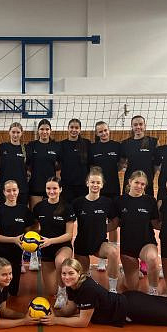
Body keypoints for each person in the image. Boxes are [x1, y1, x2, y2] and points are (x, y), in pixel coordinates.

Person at [40, 256, 167, 328]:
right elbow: (71, 308)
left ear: (79, 273)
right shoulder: (75, 286)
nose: (66, 277)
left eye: (70, 273)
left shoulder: (87, 289)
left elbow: (83, 322)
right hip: (129, 300)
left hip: (131, 308)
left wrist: (56, 321)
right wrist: (51, 313)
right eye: (64, 274)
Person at [72, 167, 120, 292]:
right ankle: (87, 279)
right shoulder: (78, 203)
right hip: (82, 244)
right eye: (92, 182)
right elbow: (69, 221)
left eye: (98, 182)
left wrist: (102, 229)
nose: (95, 185)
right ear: (87, 183)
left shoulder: (107, 202)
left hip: (100, 244)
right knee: (83, 281)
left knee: (113, 252)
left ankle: (113, 288)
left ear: (102, 185)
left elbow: (115, 222)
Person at [114, 170, 160, 294]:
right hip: (128, 247)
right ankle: (124, 276)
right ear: (130, 182)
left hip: (146, 243)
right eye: (136, 183)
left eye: (142, 184)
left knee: (153, 259)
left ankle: (153, 291)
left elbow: (156, 224)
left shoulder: (150, 201)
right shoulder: (119, 201)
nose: (139, 186)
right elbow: (114, 224)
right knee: (132, 288)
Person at [33, 177, 75, 308]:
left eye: (55, 188)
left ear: (60, 189)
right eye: (48, 188)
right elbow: (34, 228)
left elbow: (69, 235)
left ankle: (62, 293)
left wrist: (51, 241)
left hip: (62, 246)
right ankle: (60, 289)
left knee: (60, 261)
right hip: (45, 248)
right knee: (51, 291)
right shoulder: (39, 207)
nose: (51, 191)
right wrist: (32, 239)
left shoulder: (67, 208)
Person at [0, 180, 35, 296]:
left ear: (18, 191)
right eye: (8, 191)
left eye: (14, 190)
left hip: (16, 254)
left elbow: (30, 232)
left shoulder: (24, 210)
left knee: (12, 292)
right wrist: (13, 239)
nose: (12, 193)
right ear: (4, 192)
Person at [89, 121, 121, 270]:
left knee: (113, 221)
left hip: (113, 188)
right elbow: (91, 167)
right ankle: (102, 256)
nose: (103, 133)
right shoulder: (93, 148)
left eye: (105, 130)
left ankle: (112, 254)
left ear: (109, 130)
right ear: (97, 133)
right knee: (99, 220)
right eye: (100, 131)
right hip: (99, 190)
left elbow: (120, 164)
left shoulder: (117, 146)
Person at [27, 119, 61, 209]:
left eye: (47, 129)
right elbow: (27, 165)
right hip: (35, 186)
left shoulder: (56, 146)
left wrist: (57, 183)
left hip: (51, 187)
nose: (44, 132)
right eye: (42, 129)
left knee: (50, 214)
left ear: (51, 131)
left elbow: (59, 168)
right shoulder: (31, 145)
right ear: (38, 130)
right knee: (35, 214)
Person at [120, 115, 158, 197]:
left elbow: (156, 165)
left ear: (144, 126)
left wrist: (150, 176)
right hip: (130, 182)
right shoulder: (125, 143)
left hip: (146, 182)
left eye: (141, 124)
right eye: (135, 125)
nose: (138, 127)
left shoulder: (153, 142)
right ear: (132, 126)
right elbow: (121, 163)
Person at [59, 118, 90, 204]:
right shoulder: (62, 144)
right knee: (68, 209)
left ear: (80, 129)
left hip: (83, 185)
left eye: (76, 128)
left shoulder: (86, 143)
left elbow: (90, 164)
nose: (74, 130)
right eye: (71, 127)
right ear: (68, 128)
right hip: (67, 185)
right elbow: (58, 164)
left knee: (81, 208)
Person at [0, 122, 29, 205]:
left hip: (21, 188)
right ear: (9, 132)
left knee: (21, 211)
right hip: (5, 188)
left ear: (21, 133)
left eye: (18, 132)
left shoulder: (25, 148)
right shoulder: (3, 147)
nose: (15, 135)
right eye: (13, 132)